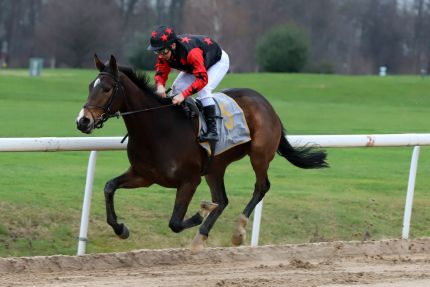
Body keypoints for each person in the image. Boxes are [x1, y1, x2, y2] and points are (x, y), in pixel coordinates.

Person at [147, 25, 230, 142]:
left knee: (203, 90)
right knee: (176, 88)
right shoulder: (165, 52)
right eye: (157, 52)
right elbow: (161, 70)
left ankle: (213, 131)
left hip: (217, 61)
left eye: (162, 51)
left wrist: (183, 95)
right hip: (195, 65)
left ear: (173, 45)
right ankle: (185, 118)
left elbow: (202, 79)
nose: (160, 55)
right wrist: (160, 85)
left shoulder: (192, 52)